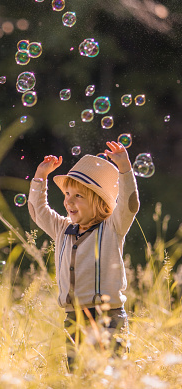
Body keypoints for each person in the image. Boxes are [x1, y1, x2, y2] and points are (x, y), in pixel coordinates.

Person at [28, 141, 140, 369]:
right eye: (67, 193)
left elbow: (130, 204)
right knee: (78, 377)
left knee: (112, 376)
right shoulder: (62, 229)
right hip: (74, 318)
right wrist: (40, 177)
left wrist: (125, 170)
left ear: (99, 202)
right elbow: (37, 211)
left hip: (109, 318)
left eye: (78, 195)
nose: (68, 200)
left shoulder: (112, 227)